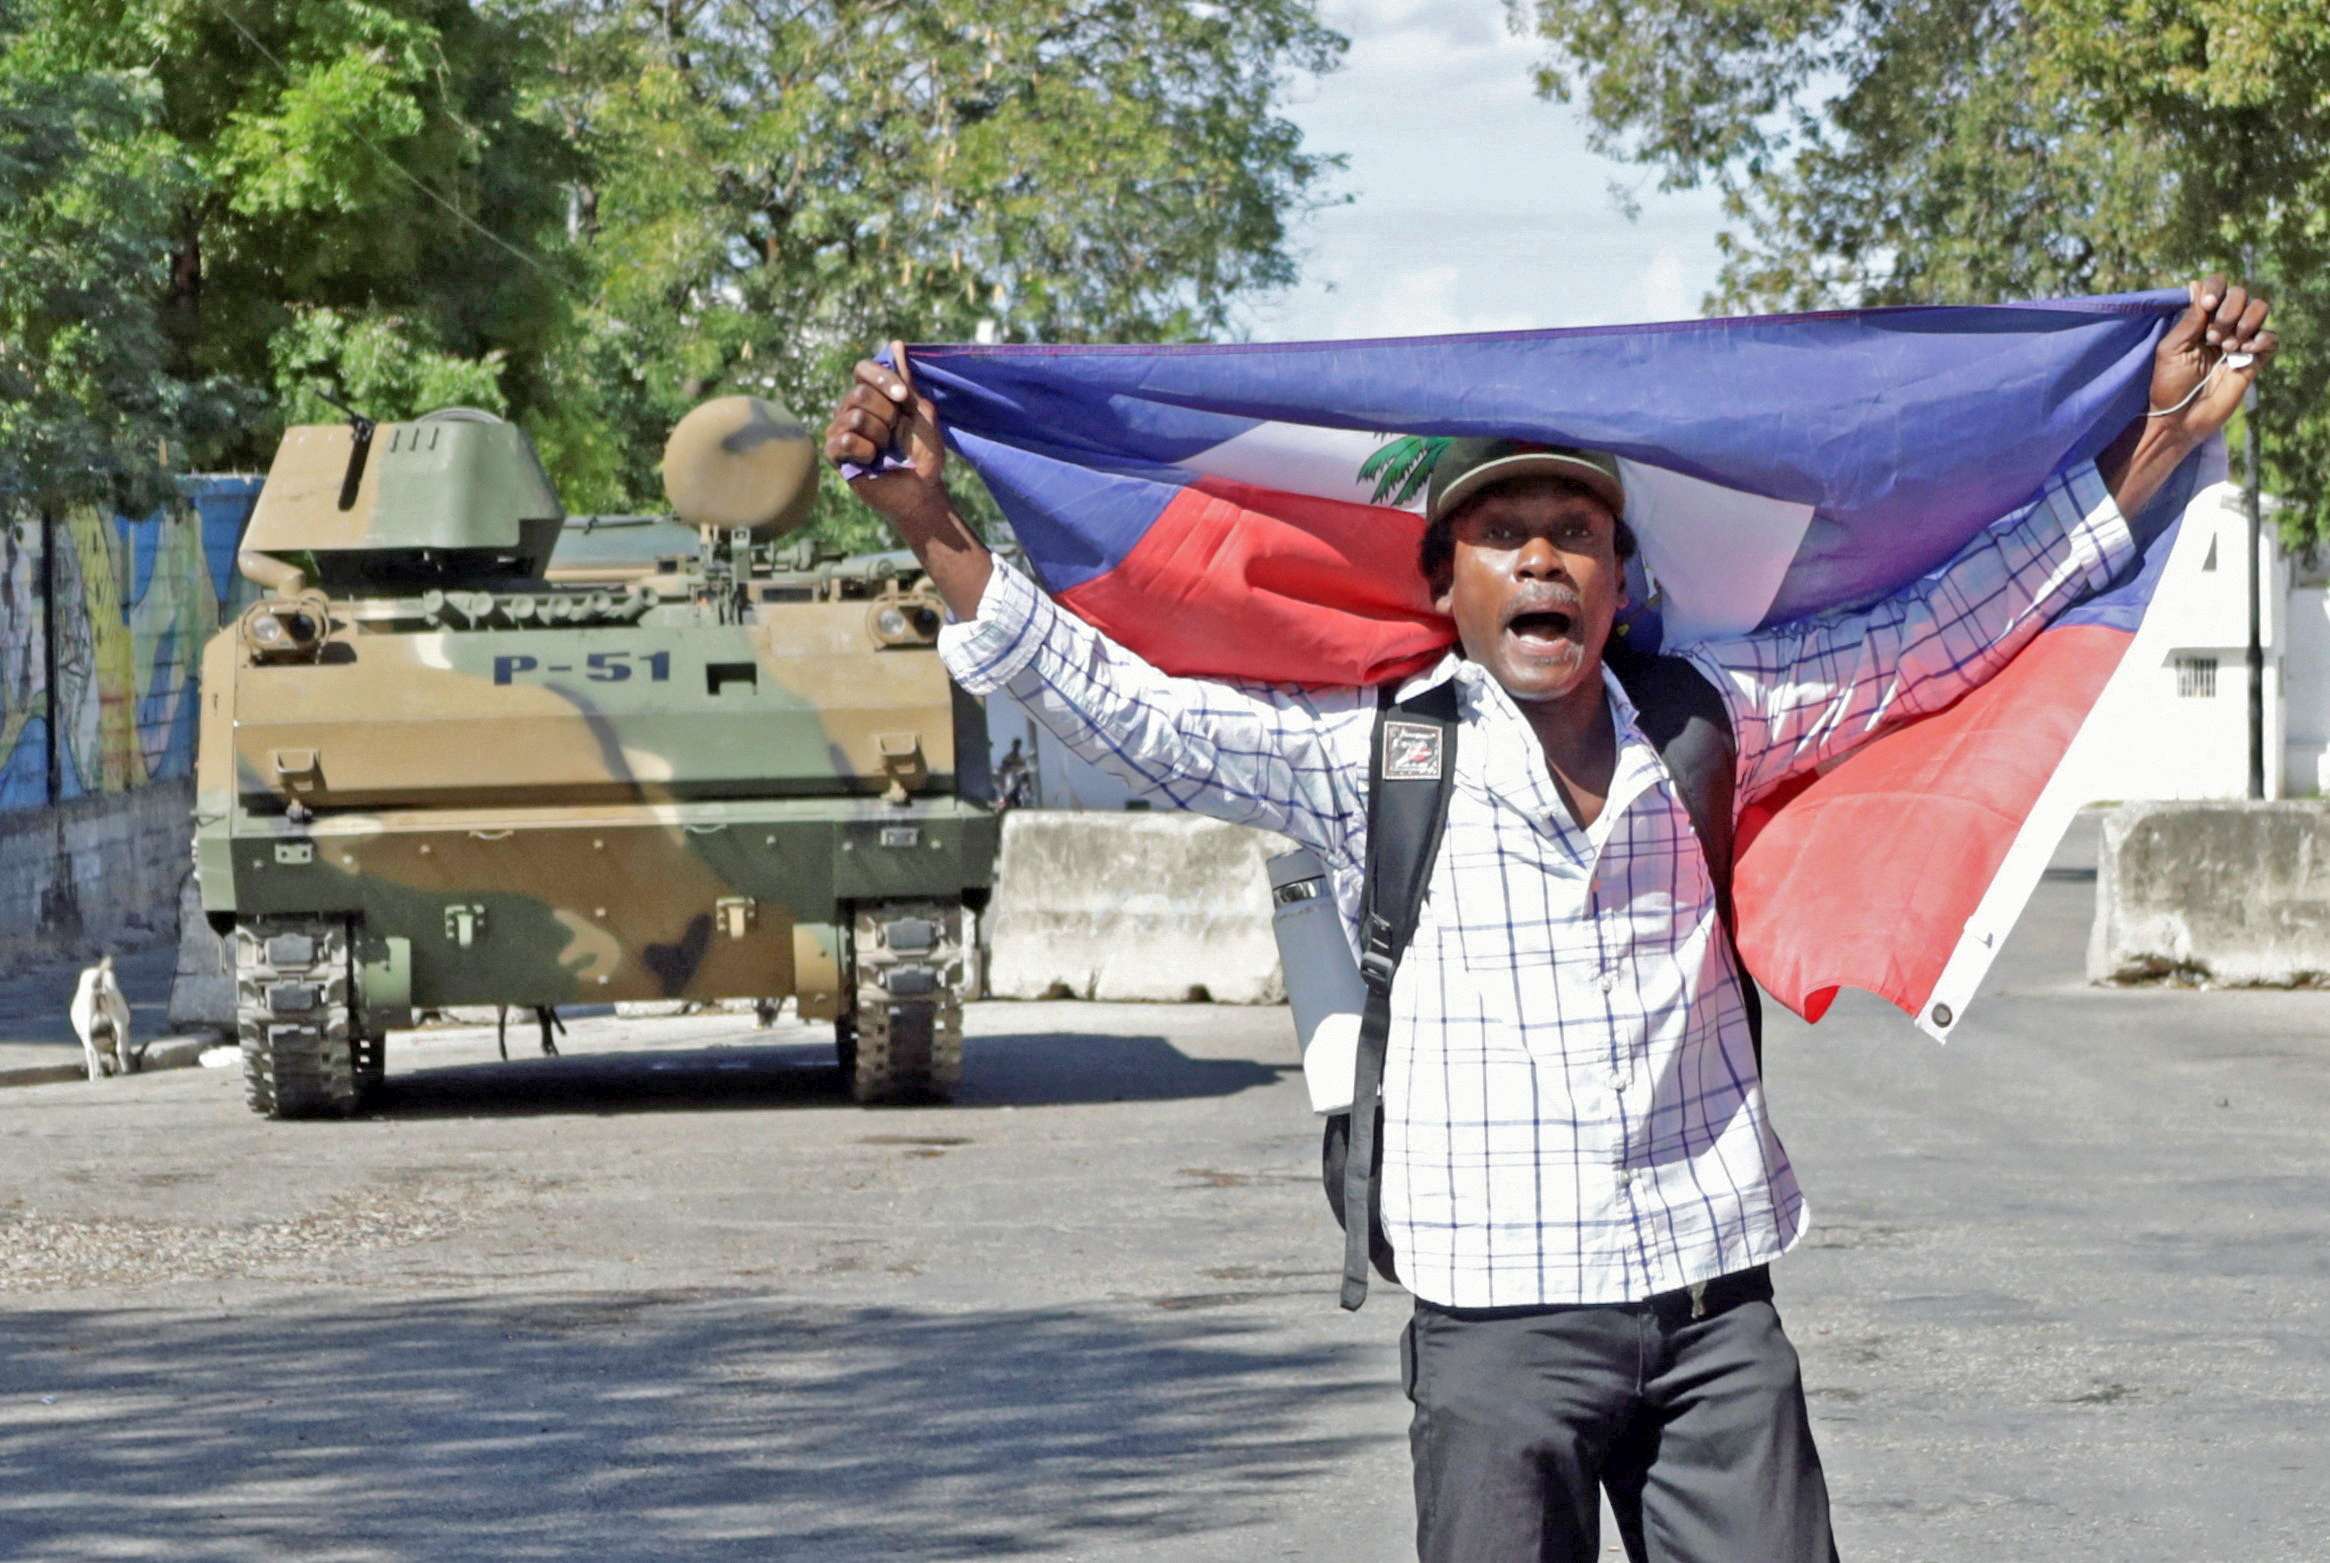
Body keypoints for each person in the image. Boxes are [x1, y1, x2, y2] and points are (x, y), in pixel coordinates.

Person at [822, 278, 2276, 1563]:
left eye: (1572, 533)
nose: (1539, 559)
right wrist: (934, 523)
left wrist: (2152, 436)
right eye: (1501, 535)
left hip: (1715, 1316)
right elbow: (1126, 708)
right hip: (1494, 1333)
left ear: (1619, 584)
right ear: (1444, 591)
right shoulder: (1370, 757)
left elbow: (1941, 628)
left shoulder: (1715, 722)